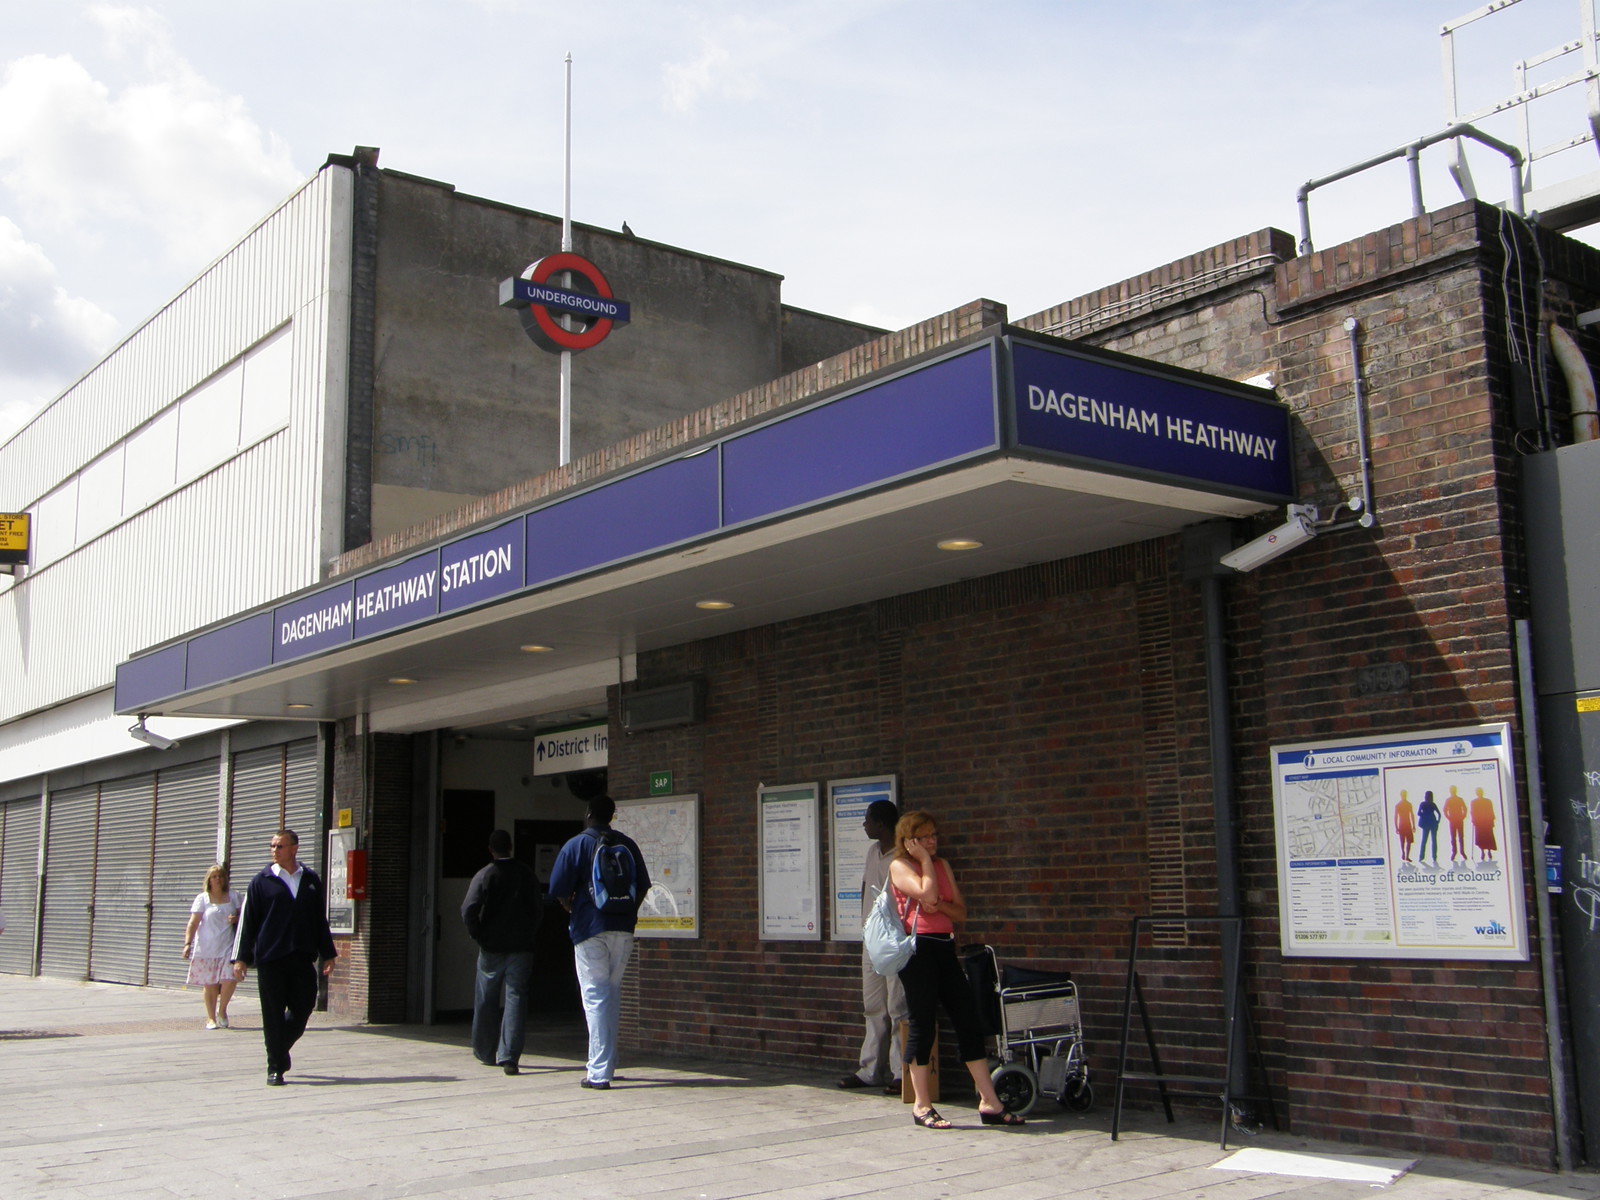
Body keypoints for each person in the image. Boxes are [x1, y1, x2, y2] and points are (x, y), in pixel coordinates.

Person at [888, 810, 1024, 1129]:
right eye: (924, 837)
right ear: (909, 841)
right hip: (917, 949)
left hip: (945, 945)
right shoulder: (899, 866)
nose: (932, 841)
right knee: (923, 1021)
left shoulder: (942, 865)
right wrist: (923, 863)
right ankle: (922, 1104)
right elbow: (926, 894)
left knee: (968, 1018)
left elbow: (959, 911)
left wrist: (937, 904)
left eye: (934, 835)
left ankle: (989, 1101)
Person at [547, 795, 651, 1090]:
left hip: (589, 928)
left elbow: (557, 887)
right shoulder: (627, 844)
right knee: (612, 995)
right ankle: (607, 1063)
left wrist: (569, 905)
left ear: (589, 813)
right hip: (623, 929)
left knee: (595, 997)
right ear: (612, 816)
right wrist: (626, 912)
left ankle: (599, 1072)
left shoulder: (577, 844)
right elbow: (643, 885)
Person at [232, 829, 337, 1086]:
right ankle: (275, 1067)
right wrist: (241, 958)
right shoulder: (262, 881)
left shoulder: (310, 879)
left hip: (302, 956)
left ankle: (279, 1049)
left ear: (294, 848)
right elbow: (248, 923)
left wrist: (328, 953)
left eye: (279, 846)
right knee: (272, 1013)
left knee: (303, 1008)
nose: (274, 851)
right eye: (272, 846)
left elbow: (319, 920)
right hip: (271, 959)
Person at [461, 828, 544, 1074]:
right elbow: (538, 909)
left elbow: (468, 909)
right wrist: (529, 932)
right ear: (511, 847)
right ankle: (509, 1056)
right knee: (516, 998)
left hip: (492, 947)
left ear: (491, 849)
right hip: (521, 947)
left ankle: (485, 1051)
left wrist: (478, 933)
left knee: (486, 997)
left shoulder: (485, 875)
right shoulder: (526, 874)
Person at [839, 798, 906, 1094]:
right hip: (871, 939)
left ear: (881, 824)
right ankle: (870, 1070)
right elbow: (865, 888)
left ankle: (901, 1072)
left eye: (868, 820)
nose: (865, 825)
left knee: (898, 1006)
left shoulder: (902, 858)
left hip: (895, 941)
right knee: (873, 1005)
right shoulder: (871, 852)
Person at [183, 864, 243, 1029]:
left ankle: (222, 1010)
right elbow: (193, 922)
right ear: (209, 880)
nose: (218, 879)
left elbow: (245, 916)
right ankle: (210, 1018)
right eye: (215, 877)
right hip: (207, 947)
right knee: (209, 983)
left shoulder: (234, 896)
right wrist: (187, 943)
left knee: (230, 978)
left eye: (221, 876)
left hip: (228, 945)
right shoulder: (203, 898)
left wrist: (236, 919)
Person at [1470, 788, 1498, 861]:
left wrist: (1492, 821)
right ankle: (1483, 851)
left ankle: (1488, 851)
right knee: (1481, 837)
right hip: (1479, 822)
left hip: (1486, 822)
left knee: (1487, 836)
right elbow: (1472, 812)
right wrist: (1473, 819)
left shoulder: (1487, 801)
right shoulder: (1474, 802)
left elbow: (1491, 811)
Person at [1416, 791, 1442, 867]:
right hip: (1433, 823)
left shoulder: (1423, 804)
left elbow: (1418, 813)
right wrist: (1437, 821)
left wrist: (1424, 815)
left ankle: (1421, 857)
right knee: (1433, 840)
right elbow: (1439, 814)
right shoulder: (1432, 804)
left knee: (1424, 840)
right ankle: (1434, 857)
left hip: (1426, 824)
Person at [1444, 786, 1469, 862]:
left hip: (1458, 819)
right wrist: (1449, 818)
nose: (1452, 791)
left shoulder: (1459, 799)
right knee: (1453, 837)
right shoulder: (1448, 800)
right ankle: (1454, 852)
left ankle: (1462, 852)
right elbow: (1445, 810)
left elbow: (1465, 808)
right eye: (1452, 790)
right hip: (1453, 820)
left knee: (1460, 837)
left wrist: (1463, 816)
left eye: (1453, 790)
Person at [1392, 791, 1415, 863]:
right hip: (1404, 824)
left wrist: (1413, 825)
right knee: (1404, 841)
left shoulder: (1403, 805)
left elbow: (1411, 815)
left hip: (1404, 824)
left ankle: (1406, 855)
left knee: (1407, 841)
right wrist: (1396, 827)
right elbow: (1396, 817)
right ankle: (1404, 854)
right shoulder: (1404, 805)